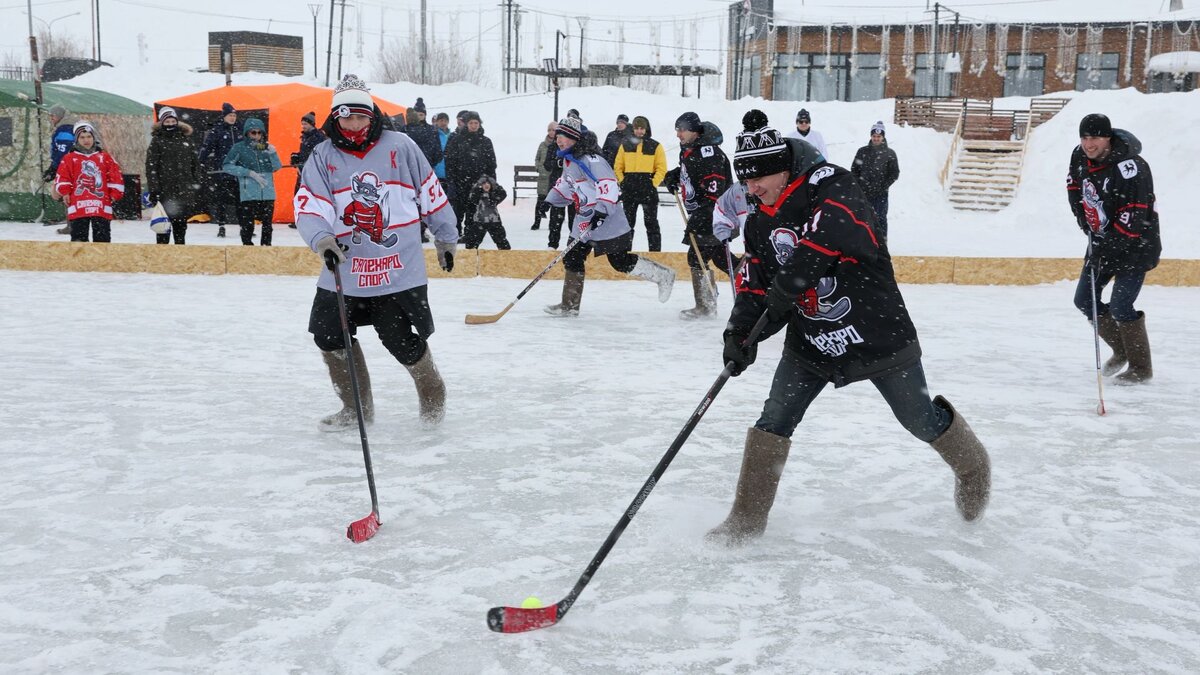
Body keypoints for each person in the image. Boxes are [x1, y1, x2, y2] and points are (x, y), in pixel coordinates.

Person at [708, 110, 991, 546]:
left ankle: (972, 465)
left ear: (782, 169)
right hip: (812, 342)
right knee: (773, 420)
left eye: (757, 180)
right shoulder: (761, 218)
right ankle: (745, 521)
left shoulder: (831, 182)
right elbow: (755, 281)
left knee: (918, 420)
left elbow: (839, 229)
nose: (751, 189)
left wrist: (793, 280)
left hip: (876, 331)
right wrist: (740, 333)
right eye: (745, 182)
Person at [295, 74, 458, 430]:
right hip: (346, 264)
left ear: (373, 115)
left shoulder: (401, 146)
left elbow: (430, 191)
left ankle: (433, 399)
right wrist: (322, 238)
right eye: (346, 117)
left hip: (397, 268)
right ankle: (355, 409)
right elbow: (310, 205)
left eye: (360, 116)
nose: (354, 124)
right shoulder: (323, 155)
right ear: (335, 118)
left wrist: (446, 235)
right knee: (327, 333)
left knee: (399, 339)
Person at [542, 116, 676, 317]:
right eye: (558, 136)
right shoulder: (569, 160)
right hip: (585, 219)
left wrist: (602, 210)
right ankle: (569, 306)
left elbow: (609, 184)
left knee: (620, 262)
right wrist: (549, 201)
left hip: (607, 220)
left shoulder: (591, 160)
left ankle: (663, 276)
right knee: (572, 258)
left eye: (563, 136)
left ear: (574, 138)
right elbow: (566, 184)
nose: (559, 140)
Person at [1067, 113, 1161, 384]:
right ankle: (1121, 351)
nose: (1088, 144)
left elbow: (1135, 217)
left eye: (1094, 137)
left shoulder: (1132, 168)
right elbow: (1074, 184)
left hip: (1135, 246)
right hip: (1101, 243)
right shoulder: (1079, 156)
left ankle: (1141, 368)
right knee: (1084, 300)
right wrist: (1080, 214)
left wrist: (1104, 248)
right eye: (1084, 137)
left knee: (1121, 305)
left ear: (1108, 137)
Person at [663, 112, 733, 319]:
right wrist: (675, 174)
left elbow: (715, 189)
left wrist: (703, 216)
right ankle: (755, 283)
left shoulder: (709, 154)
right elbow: (691, 171)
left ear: (694, 131)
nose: (678, 135)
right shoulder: (690, 150)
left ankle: (706, 305)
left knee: (696, 257)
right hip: (705, 214)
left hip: (713, 215)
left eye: (682, 130)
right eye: (677, 130)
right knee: (722, 258)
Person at [53, 120, 124, 243]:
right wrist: (65, 192)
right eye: (82, 137)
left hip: (100, 205)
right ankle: (80, 262)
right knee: (79, 242)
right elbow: (63, 177)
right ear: (77, 139)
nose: (86, 140)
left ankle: (101, 263)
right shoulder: (69, 158)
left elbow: (115, 177)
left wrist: (114, 195)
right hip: (78, 204)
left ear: (93, 137)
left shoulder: (105, 157)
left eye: (89, 136)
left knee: (102, 242)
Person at [145, 106, 203, 245]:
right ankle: (162, 257)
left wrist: (195, 183)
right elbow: (151, 167)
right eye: (167, 122)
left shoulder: (186, 140)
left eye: (172, 121)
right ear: (162, 123)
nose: (170, 124)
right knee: (163, 227)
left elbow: (195, 164)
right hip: (164, 191)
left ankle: (180, 254)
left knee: (181, 227)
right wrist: (154, 189)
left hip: (183, 191)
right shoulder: (157, 141)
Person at [222, 118, 282, 246]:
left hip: (267, 193)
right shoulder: (239, 148)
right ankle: (247, 252)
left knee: (267, 227)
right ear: (247, 133)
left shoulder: (266, 148)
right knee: (247, 227)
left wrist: (273, 153)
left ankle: (266, 251)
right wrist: (248, 173)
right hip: (248, 194)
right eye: (253, 132)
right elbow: (227, 166)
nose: (257, 136)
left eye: (259, 133)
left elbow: (277, 167)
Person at [613, 115, 667, 252]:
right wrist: (623, 182)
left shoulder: (656, 146)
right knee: (627, 224)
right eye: (637, 128)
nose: (639, 131)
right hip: (629, 190)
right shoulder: (625, 145)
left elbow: (661, 168)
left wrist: (653, 183)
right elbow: (618, 166)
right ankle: (624, 251)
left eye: (642, 128)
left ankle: (655, 252)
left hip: (648, 190)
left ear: (646, 129)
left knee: (651, 223)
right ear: (633, 129)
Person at [444, 111, 497, 236]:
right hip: (460, 181)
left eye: (476, 123)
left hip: (478, 182)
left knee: (473, 210)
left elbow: (491, 164)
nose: (473, 125)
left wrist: (490, 181)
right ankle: (456, 233)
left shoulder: (485, 141)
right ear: (466, 124)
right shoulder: (457, 140)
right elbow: (449, 161)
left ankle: (470, 235)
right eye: (471, 123)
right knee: (457, 210)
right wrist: (452, 179)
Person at [198, 103, 242, 238]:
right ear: (224, 116)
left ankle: (244, 226)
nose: (233, 118)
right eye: (230, 115)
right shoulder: (217, 130)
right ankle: (221, 225)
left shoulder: (240, 130)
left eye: (234, 115)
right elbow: (207, 147)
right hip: (222, 171)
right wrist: (200, 162)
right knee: (221, 199)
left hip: (239, 171)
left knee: (241, 200)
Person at [850, 121, 900, 239]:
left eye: (879, 136)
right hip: (864, 193)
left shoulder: (890, 154)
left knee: (880, 218)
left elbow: (894, 173)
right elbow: (854, 170)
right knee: (863, 218)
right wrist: (860, 184)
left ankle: (882, 243)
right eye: (874, 136)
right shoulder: (862, 152)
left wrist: (883, 186)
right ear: (871, 136)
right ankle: (863, 242)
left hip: (881, 194)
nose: (876, 138)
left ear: (883, 137)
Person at [43, 104, 76, 231]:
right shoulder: (69, 127)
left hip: (68, 169)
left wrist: (54, 168)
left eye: (53, 115)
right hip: (70, 167)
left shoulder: (64, 130)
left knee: (63, 194)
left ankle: (72, 224)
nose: (51, 118)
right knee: (65, 194)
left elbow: (63, 153)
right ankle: (72, 223)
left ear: (60, 116)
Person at [463, 175, 511, 249]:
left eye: (489, 183)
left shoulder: (494, 196)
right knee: (472, 243)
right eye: (484, 183)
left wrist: (495, 186)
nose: (486, 185)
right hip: (479, 221)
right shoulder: (477, 195)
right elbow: (472, 196)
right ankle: (471, 257)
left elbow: (503, 193)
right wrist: (477, 186)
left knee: (502, 241)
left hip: (494, 221)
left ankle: (505, 256)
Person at [400, 99, 443, 169]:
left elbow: (438, 152)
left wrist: (430, 163)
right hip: (410, 167)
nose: (419, 117)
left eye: (421, 114)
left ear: (425, 115)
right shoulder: (405, 129)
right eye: (416, 114)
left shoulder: (432, 130)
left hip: (427, 167)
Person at [532, 122, 556, 231]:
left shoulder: (559, 144)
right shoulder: (542, 145)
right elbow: (537, 159)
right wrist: (540, 168)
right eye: (550, 130)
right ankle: (536, 223)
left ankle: (553, 225)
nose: (551, 132)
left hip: (555, 179)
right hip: (543, 178)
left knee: (554, 203)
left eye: (554, 130)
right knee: (540, 201)